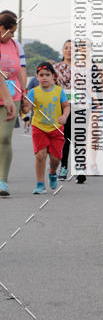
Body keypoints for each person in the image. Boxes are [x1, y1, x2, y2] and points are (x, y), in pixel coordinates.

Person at [23, 62, 70, 194]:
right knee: (40, 156)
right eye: (41, 75)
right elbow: (27, 108)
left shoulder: (59, 91)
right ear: (37, 77)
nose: (44, 77)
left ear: (53, 76)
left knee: (56, 159)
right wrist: (24, 103)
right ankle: (40, 184)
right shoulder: (33, 92)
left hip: (56, 128)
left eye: (47, 75)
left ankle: (52, 172)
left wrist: (64, 116)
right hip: (39, 127)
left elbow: (66, 106)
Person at [0, 10, 27, 197]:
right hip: (6, 96)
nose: (12, 36)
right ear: (2, 28)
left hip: (12, 96)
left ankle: (2, 180)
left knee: (4, 137)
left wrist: (23, 94)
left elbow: (21, 71)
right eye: (11, 32)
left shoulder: (15, 46)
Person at [53, 40, 72, 180]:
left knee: (79, 138)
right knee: (65, 138)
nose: (69, 50)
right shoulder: (56, 68)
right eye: (66, 48)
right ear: (62, 50)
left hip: (81, 105)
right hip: (63, 106)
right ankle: (63, 167)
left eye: (72, 48)